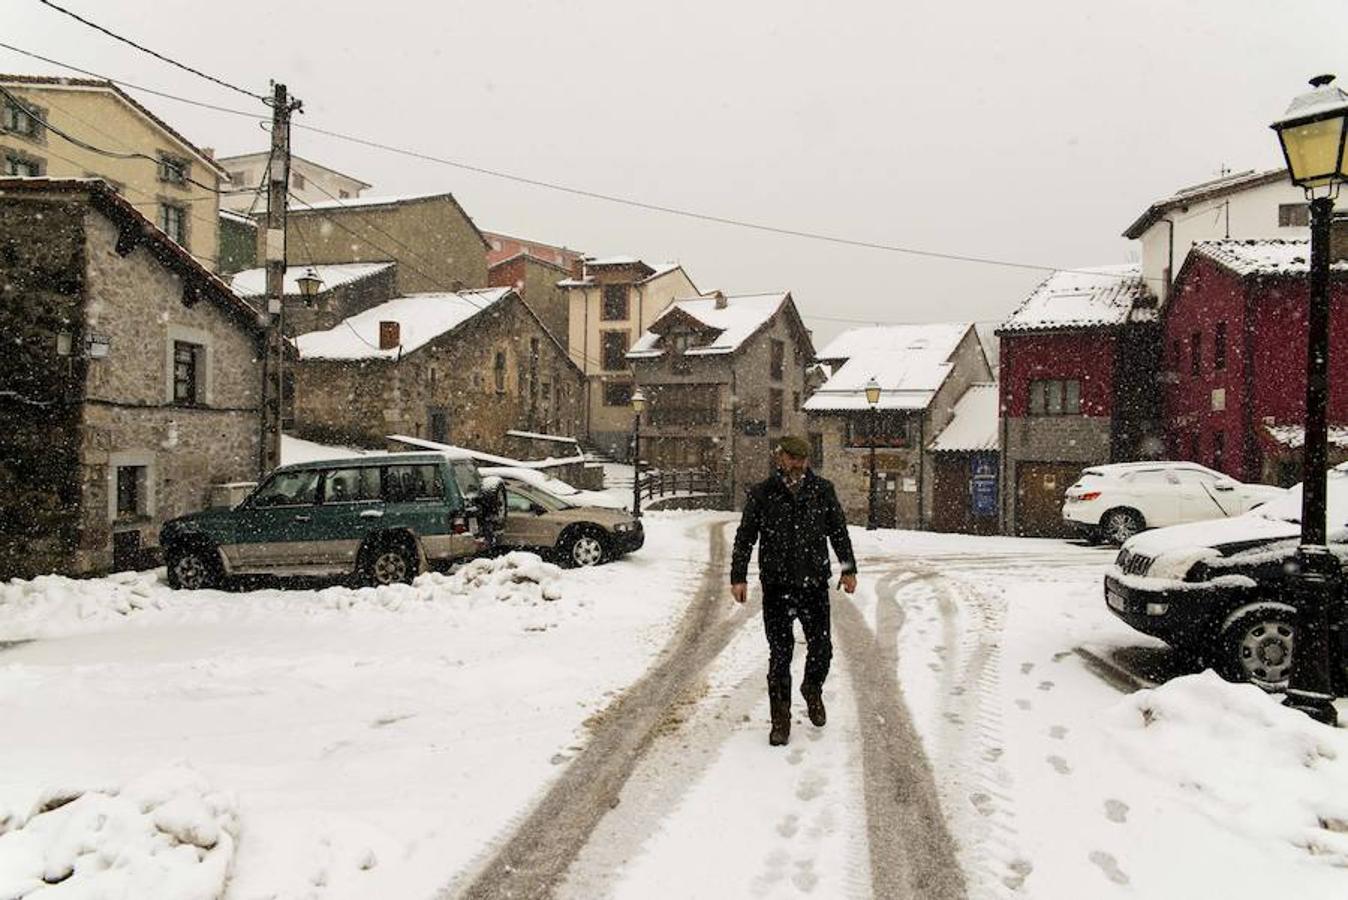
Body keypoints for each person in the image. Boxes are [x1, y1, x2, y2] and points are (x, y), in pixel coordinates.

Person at [730, 435, 857, 746]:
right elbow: (745, 537)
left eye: (801, 459)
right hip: (776, 586)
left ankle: (812, 688)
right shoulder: (762, 493)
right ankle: (781, 719)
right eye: (791, 458)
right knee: (780, 655)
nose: (797, 464)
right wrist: (738, 576)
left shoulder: (822, 491)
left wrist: (849, 568)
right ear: (780, 458)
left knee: (822, 648)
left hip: (813, 585)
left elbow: (838, 531)